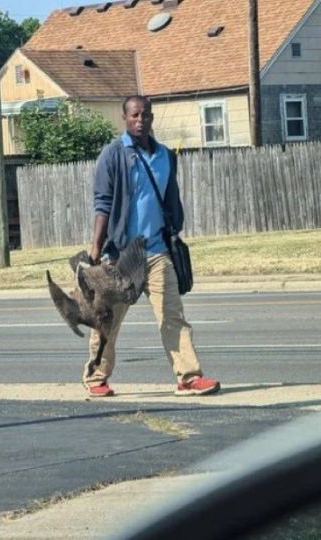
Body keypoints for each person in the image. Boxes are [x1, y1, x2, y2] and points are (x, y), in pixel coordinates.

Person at [83, 95, 220, 398]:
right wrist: (96, 246)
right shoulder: (113, 154)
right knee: (108, 321)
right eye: (134, 115)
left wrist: (174, 232)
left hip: (157, 251)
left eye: (145, 115)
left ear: (152, 118)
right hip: (121, 255)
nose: (140, 120)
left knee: (173, 315)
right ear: (124, 118)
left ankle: (188, 377)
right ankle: (96, 378)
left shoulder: (165, 156)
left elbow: (171, 199)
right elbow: (102, 203)